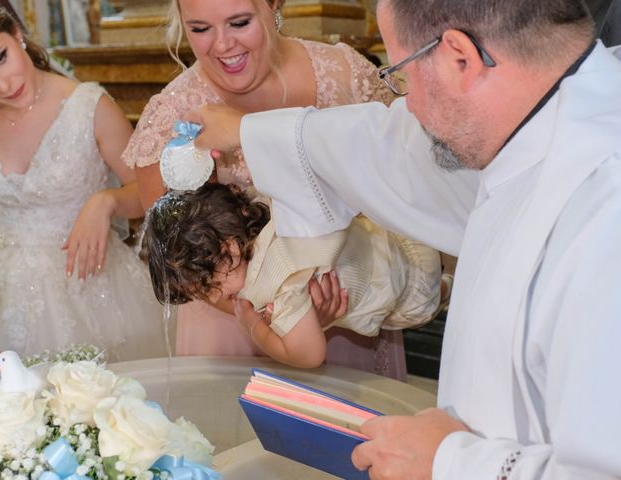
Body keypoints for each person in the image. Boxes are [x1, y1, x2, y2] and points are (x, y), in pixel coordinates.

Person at [192, 0, 621, 477]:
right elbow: (394, 149)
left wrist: (448, 462)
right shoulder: (542, 124)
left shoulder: (604, 208)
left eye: (401, 75)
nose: (408, 103)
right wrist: (252, 133)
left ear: (461, 57)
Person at [122, 0, 446, 379]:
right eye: (199, 29)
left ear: (274, 4)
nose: (222, 45)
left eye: (239, 22)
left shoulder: (346, 73)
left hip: (357, 304)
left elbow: (411, 174)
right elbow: (184, 264)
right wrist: (286, 310)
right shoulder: (170, 120)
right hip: (237, 330)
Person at [0, 0, 167, 363]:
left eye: (0, 58)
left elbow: (151, 191)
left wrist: (107, 202)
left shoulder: (89, 107)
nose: (2, 85)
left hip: (90, 289)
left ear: (17, 35)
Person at [143, 184, 441, 368]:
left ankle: (448, 289)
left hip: (411, 296)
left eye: (209, 288)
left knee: (449, 298)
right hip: (402, 237)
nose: (214, 299)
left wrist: (253, 326)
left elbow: (308, 355)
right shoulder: (274, 209)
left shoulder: (280, 288)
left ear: (229, 250)